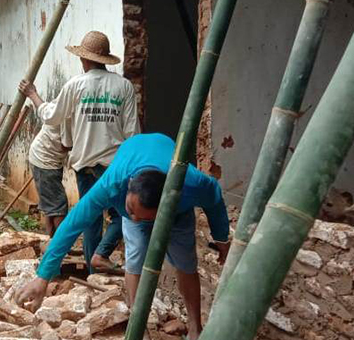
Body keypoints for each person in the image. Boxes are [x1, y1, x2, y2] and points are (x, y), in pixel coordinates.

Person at [15, 133, 231, 340]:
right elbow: (73, 224)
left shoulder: (191, 184)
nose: (136, 219)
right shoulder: (113, 183)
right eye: (131, 210)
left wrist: (221, 239)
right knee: (135, 259)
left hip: (177, 212)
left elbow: (215, 199)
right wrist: (43, 276)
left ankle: (195, 329)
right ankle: (139, 329)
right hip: (132, 174)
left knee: (186, 263)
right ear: (129, 188)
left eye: (145, 217)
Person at [19, 30, 140, 271]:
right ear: (104, 59)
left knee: (90, 219)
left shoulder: (75, 85)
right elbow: (132, 133)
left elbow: (52, 117)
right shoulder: (123, 86)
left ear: (84, 59)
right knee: (123, 216)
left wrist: (33, 96)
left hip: (85, 165)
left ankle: (93, 267)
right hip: (114, 166)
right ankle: (102, 254)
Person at [29, 112, 70, 237]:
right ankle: (60, 244)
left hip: (43, 158)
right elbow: (65, 145)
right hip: (45, 161)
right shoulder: (68, 116)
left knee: (51, 204)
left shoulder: (58, 107)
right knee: (59, 206)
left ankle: (50, 240)